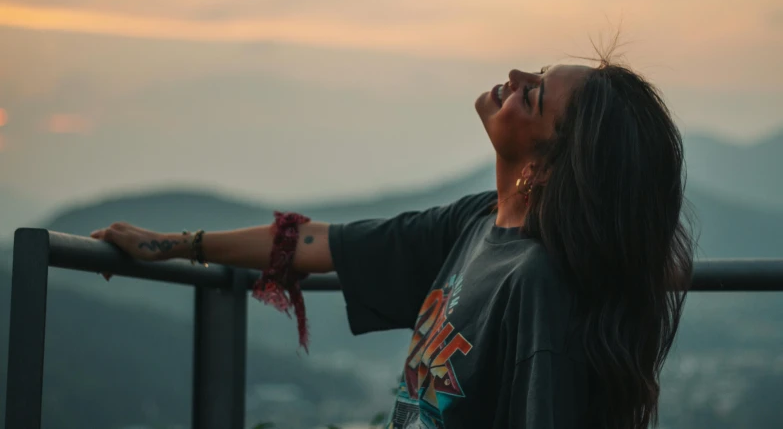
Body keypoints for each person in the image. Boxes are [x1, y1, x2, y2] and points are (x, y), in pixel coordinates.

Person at [91, 53, 694, 429]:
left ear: (543, 166)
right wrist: (175, 245)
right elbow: (316, 242)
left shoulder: (537, 284)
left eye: (531, 93)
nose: (513, 76)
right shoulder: (477, 224)